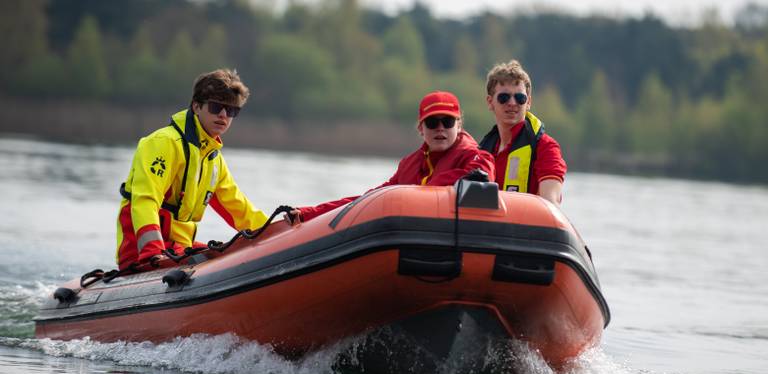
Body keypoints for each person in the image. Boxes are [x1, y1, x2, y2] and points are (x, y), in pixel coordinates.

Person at [115, 69, 268, 270]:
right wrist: (152, 252)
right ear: (196, 106)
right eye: (216, 107)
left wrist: (277, 231)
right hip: (143, 254)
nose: (223, 115)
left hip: (179, 250)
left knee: (230, 256)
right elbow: (145, 200)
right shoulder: (163, 143)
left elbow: (241, 211)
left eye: (231, 111)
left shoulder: (214, 160)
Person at [290, 90, 495, 223]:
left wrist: (418, 192)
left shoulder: (476, 158)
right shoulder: (409, 165)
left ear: (459, 126)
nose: (440, 128)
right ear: (421, 129)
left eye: (448, 122)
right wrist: (311, 213)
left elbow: (481, 177)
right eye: (432, 123)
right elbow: (369, 199)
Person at [479, 60, 567, 205]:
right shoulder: (482, 152)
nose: (512, 103)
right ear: (490, 102)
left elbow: (551, 203)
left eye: (520, 98)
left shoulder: (546, 147)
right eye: (504, 97)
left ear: (528, 102)